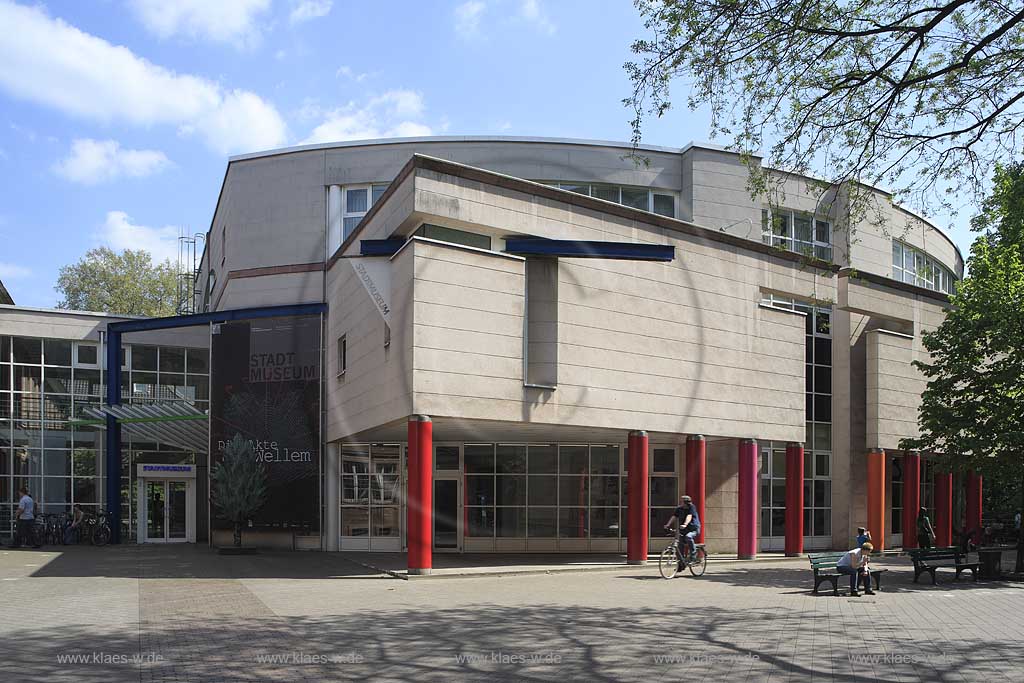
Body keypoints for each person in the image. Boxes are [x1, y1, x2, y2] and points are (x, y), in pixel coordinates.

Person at [664, 495, 701, 569]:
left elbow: (689, 516)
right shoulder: (679, 508)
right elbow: (674, 516)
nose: (680, 502)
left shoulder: (692, 507)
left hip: (693, 529)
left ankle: (693, 556)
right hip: (683, 530)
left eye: (682, 501)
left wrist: (685, 524)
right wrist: (668, 524)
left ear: (686, 502)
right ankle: (681, 565)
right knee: (679, 547)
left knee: (688, 537)